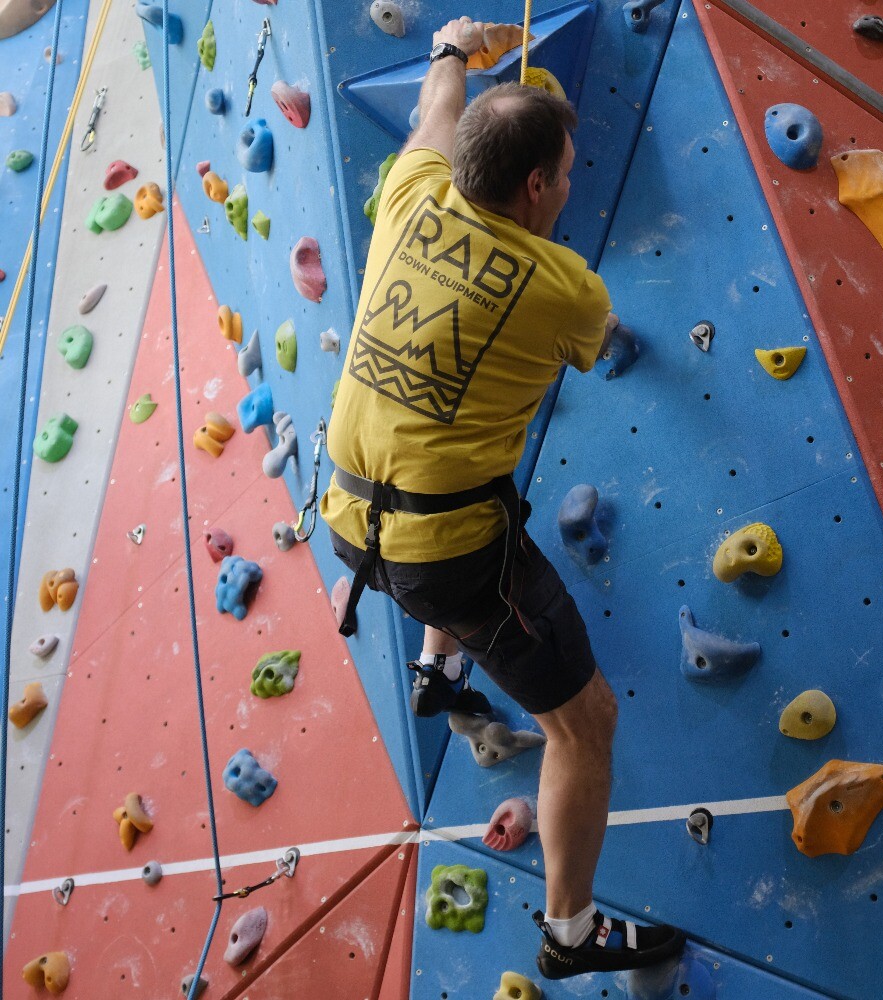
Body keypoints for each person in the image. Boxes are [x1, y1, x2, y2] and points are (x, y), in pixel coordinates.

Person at [320, 15, 685, 980]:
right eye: (564, 173)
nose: (569, 186)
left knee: (470, 463)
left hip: (352, 514)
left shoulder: (410, 190)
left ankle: (439, 676)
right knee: (585, 720)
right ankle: (571, 936)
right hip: (444, 555)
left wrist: (451, 47)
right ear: (535, 187)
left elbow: (438, 109)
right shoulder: (568, 290)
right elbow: (575, 334)